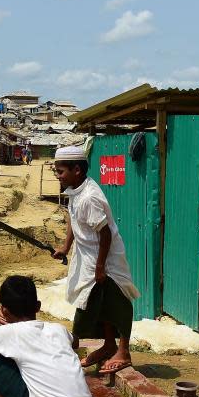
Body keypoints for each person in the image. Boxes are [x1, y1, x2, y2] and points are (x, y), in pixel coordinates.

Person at [51, 145, 140, 375]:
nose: (58, 176)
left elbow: (105, 233)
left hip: (105, 258)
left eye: (60, 171)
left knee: (116, 303)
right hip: (88, 255)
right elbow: (73, 219)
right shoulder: (75, 191)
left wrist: (100, 267)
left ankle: (124, 351)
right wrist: (66, 247)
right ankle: (109, 345)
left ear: (77, 170)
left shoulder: (89, 197)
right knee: (98, 304)